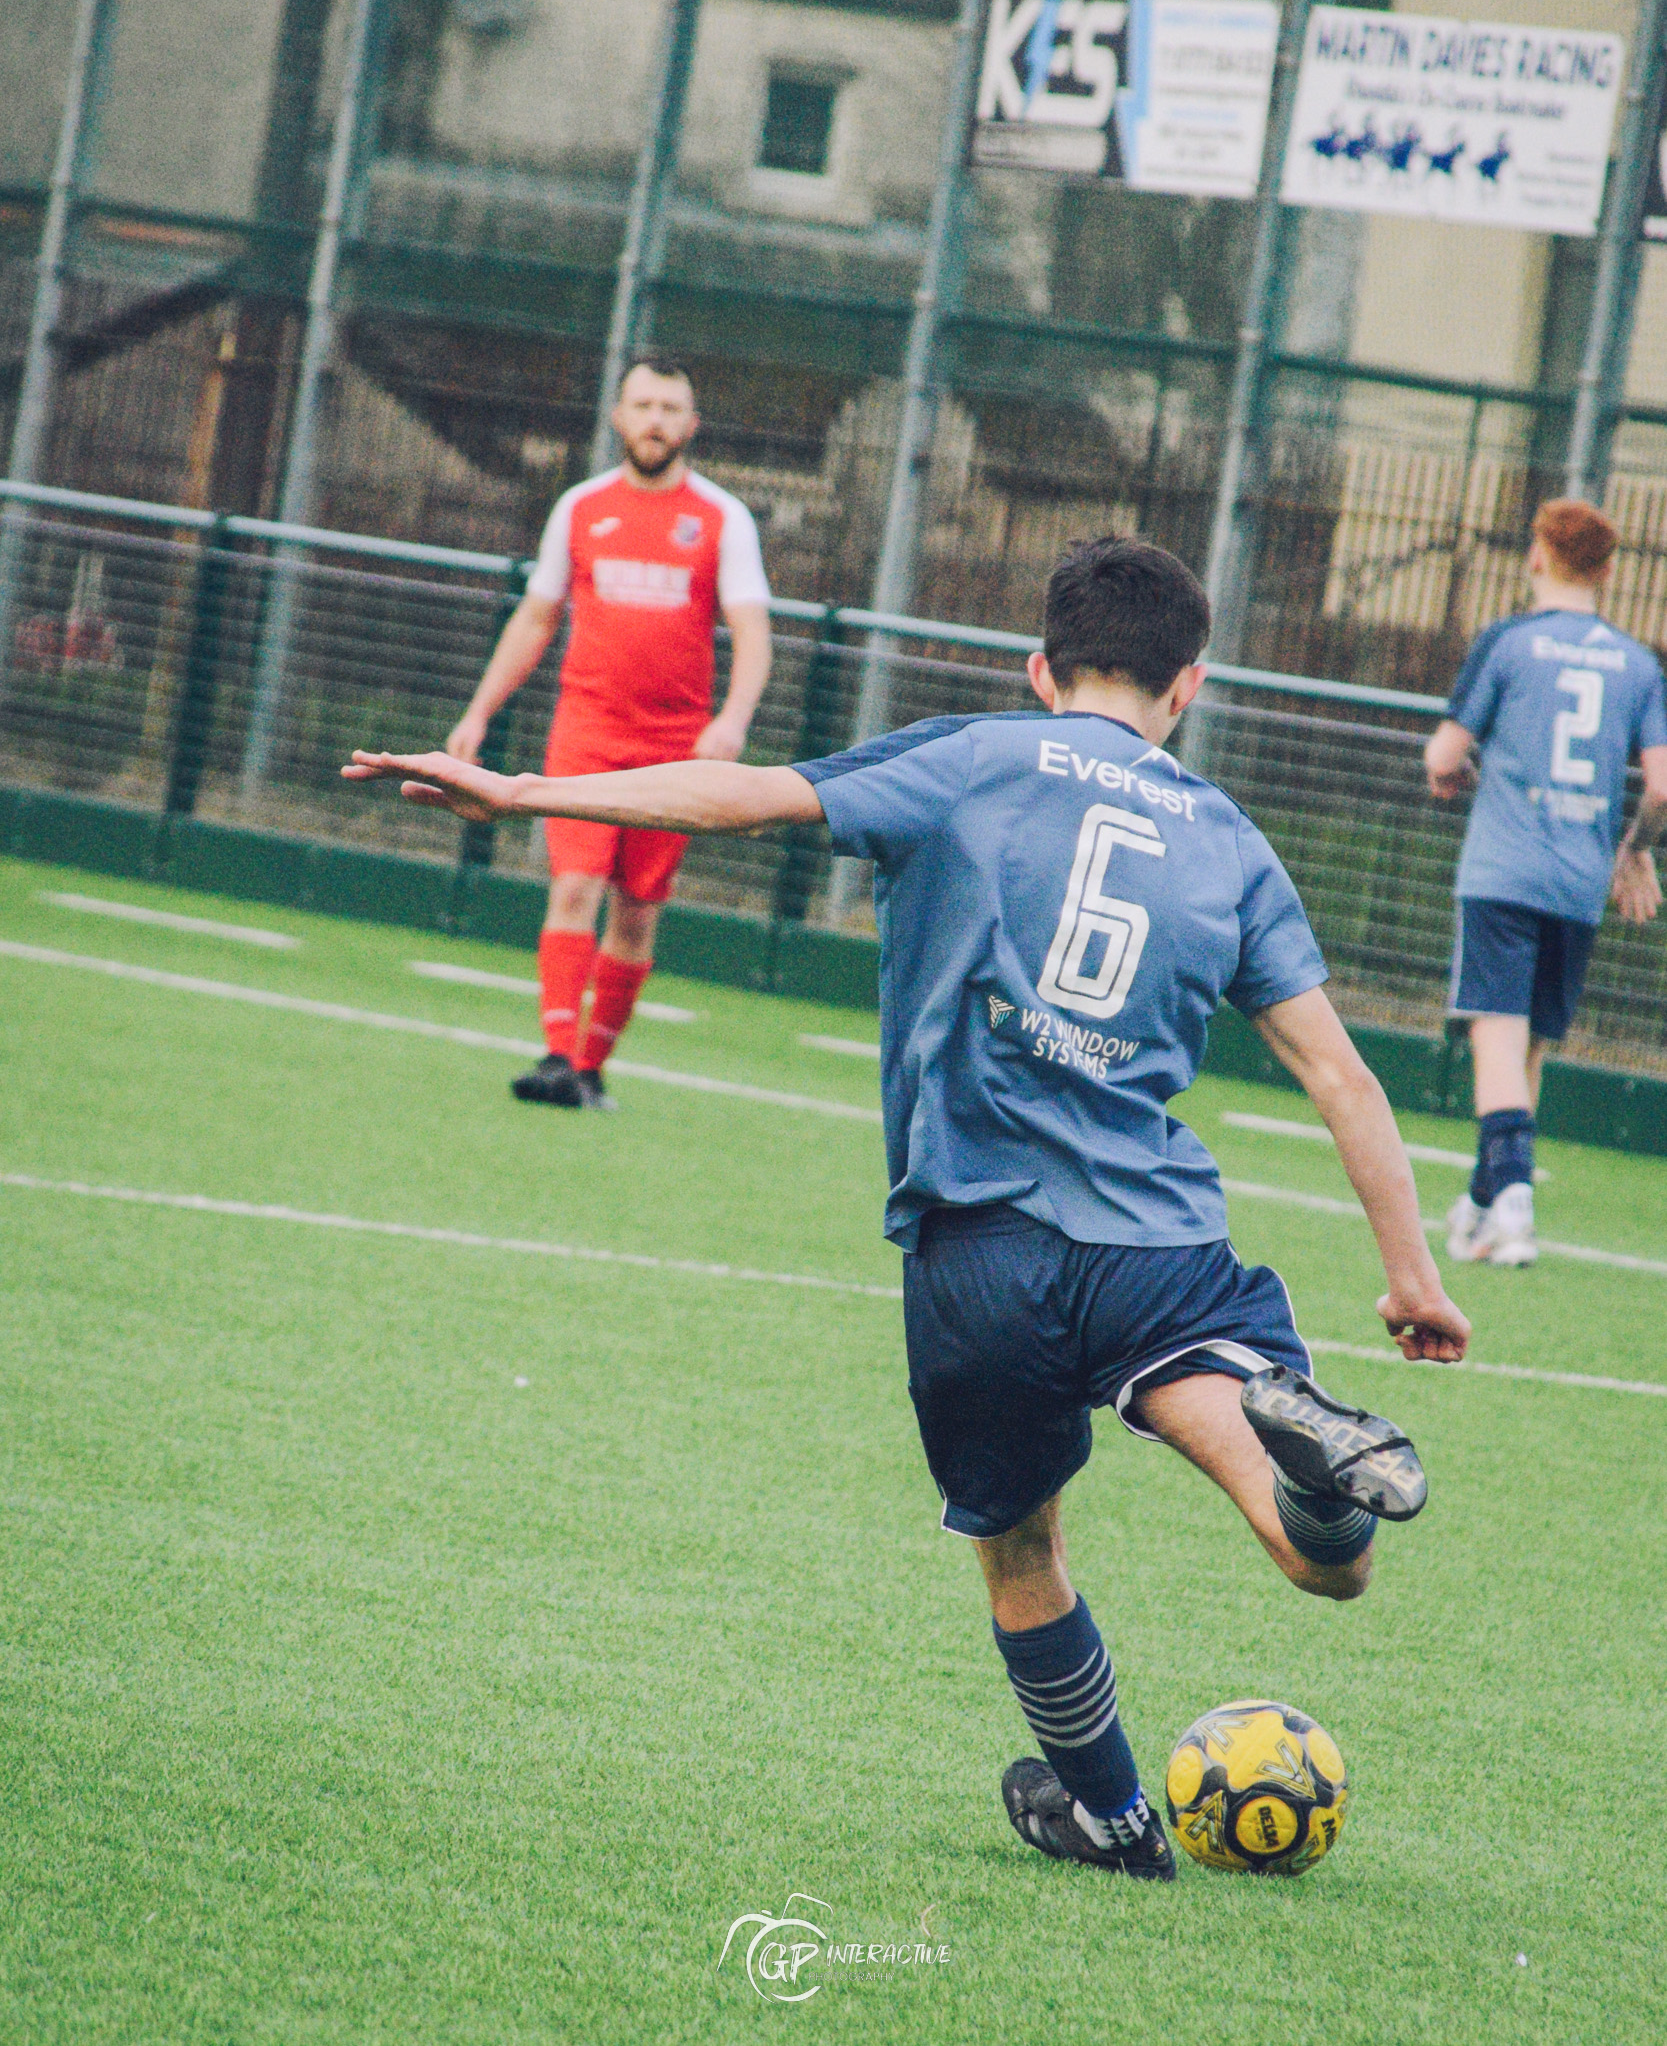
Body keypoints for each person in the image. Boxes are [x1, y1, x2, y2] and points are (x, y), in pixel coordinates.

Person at [346, 534, 1469, 1881]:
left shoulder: (971, 759)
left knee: (1019, 1549)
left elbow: (741, 793)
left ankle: (1111, 1819)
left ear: (1038, 668)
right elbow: (1339, 1079)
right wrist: (1411, 1281)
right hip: (1151, 1254)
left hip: (974, 1257)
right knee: (1319, 1563)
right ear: (1191, 685)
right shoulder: (1227, 840)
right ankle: (1303, 1445)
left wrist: (526, 789)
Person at [446, 359, 772, 1109]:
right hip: (586, 729)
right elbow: (536, 617)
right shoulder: (581, 508)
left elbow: (752, 630)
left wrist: (732, 720)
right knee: (574, 884)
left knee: (636, 909)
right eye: (642, 404)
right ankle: (557, 1056)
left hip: (676, 742)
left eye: (670, 407)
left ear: (691, 425)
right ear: (619, 417)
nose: (655, 419)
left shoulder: (722, 518)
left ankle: (591, 1068)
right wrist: (479, 711)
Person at [1424, 499, 1667, 1267]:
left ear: (1536, 556)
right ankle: (1480, 1201)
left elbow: (1440, 755)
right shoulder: (1637, 664)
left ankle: (1516, 1205)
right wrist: (1632, 851)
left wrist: (1458, 771)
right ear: (1606, 570)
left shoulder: (1507, 641)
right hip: (1576, 880)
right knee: (1526, 1050)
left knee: (1493, 1037)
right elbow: (1660, 788)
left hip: (1502, 870)